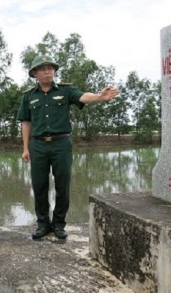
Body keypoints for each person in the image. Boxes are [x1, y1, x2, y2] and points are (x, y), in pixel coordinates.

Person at [17, 55, 119, 240]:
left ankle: (58, 224)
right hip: (37, 145)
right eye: (43, 68)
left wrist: (99, 96)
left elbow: (82, 97)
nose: (48, 71)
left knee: (62, 185)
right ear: (35, 74)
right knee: (39, 185)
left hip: (61, 144)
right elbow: (25, 122)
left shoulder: (65, 90)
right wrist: (25, 148)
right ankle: (42, 224)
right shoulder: (29, 96)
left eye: (51, 68)